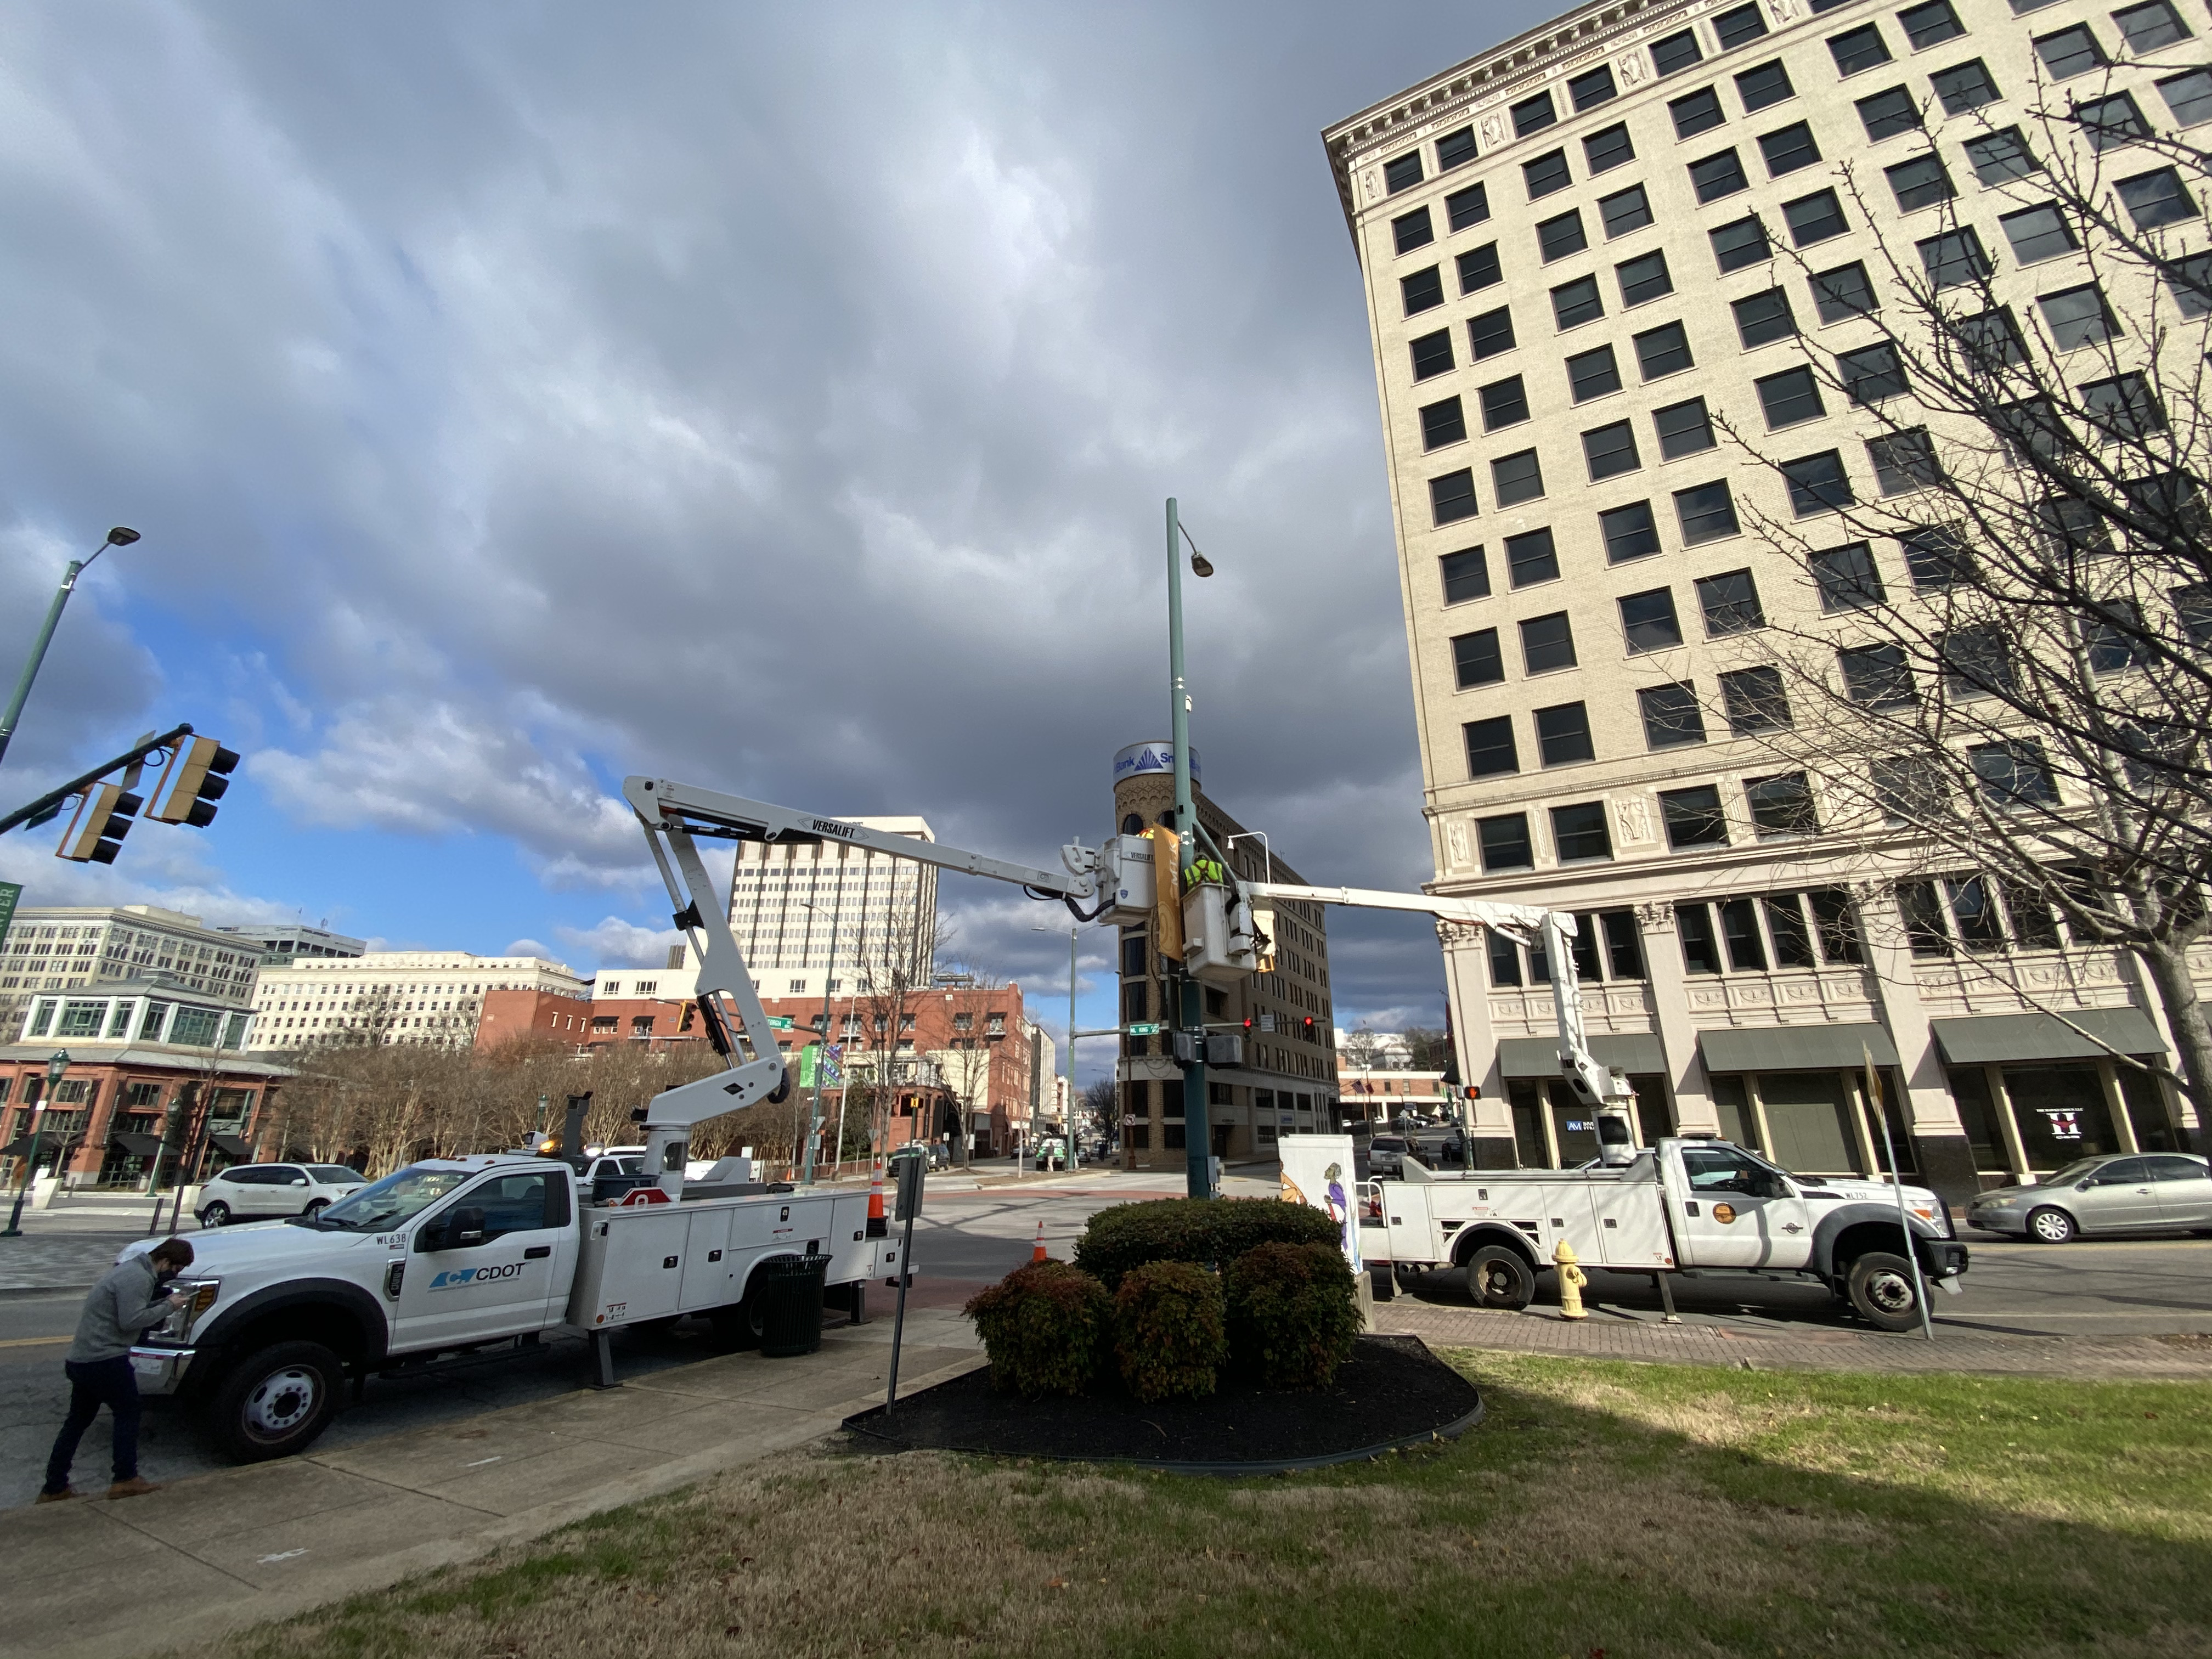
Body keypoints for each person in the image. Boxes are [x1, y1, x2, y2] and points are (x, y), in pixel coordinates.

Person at [38, 1237, 195, 1503]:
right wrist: (170, 1306)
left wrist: (163, 1302)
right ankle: (125, 1478)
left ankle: (54, 1486)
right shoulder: (139, 1278)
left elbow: (129, 1311)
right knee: (128, 1412)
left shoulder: (129, 1271)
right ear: (165, 1261)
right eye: (176, 1269)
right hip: (106, 1359)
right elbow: (130, 1320)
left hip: (83, 1359)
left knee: (77, 1422)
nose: (174, 1274)